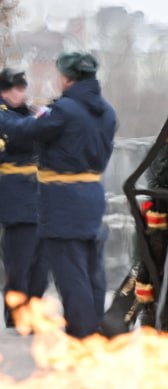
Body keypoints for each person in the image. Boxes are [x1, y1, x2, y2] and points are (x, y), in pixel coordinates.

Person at [0, 52, 115, 338]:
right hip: (91, 193)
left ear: (66, 78)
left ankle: (82, 332)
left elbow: (27, 130)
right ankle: (94, 325)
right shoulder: (107, 111)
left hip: (63, 199)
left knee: (69, 268)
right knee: (92, 268)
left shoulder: (65, 110)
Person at [0, 67, 46, 328]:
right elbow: (17, 132)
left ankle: (33, 309)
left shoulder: (30, 114)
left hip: (39, 196)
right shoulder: (6, 117)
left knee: (41, 266)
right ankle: (16, 313)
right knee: (19, 263)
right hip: (15, 198)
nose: (19, 93)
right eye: (13, 89)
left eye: (22, 88)